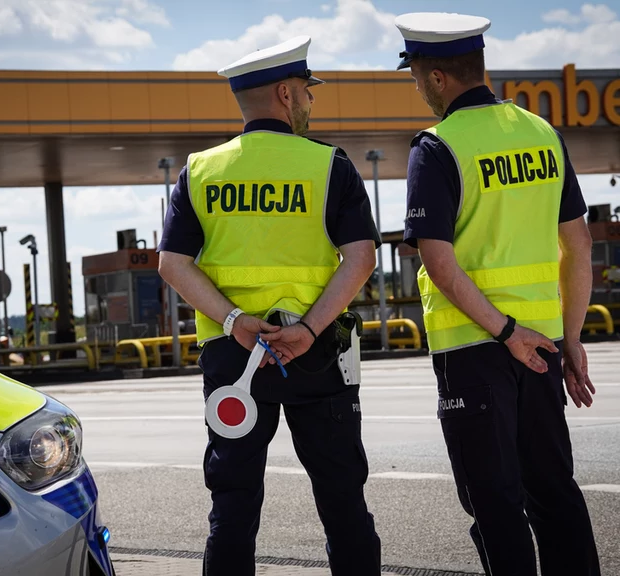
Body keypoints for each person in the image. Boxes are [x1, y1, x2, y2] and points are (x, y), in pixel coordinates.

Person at [157, 36, 383, 576]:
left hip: (235, 358)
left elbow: (172, 264)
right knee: (342, 500)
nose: (310, 102)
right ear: (286, 93)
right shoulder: (331, 166)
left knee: (232, 506)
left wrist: (235, 322)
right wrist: (307, 328)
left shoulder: (201, 171)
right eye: (306, 91)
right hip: (319, 352)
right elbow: (361, 259)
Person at [393, 12, 601, 576]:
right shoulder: (541, 133)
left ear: (437, 78)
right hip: (545, 346)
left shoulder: (437, 147)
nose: (416, 88)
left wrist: (505, 333)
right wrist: (572, 338)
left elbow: (438, 260)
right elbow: (578, 243)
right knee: (554, 489)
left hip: (476, 348)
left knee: (495, 502)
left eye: (414, 75)